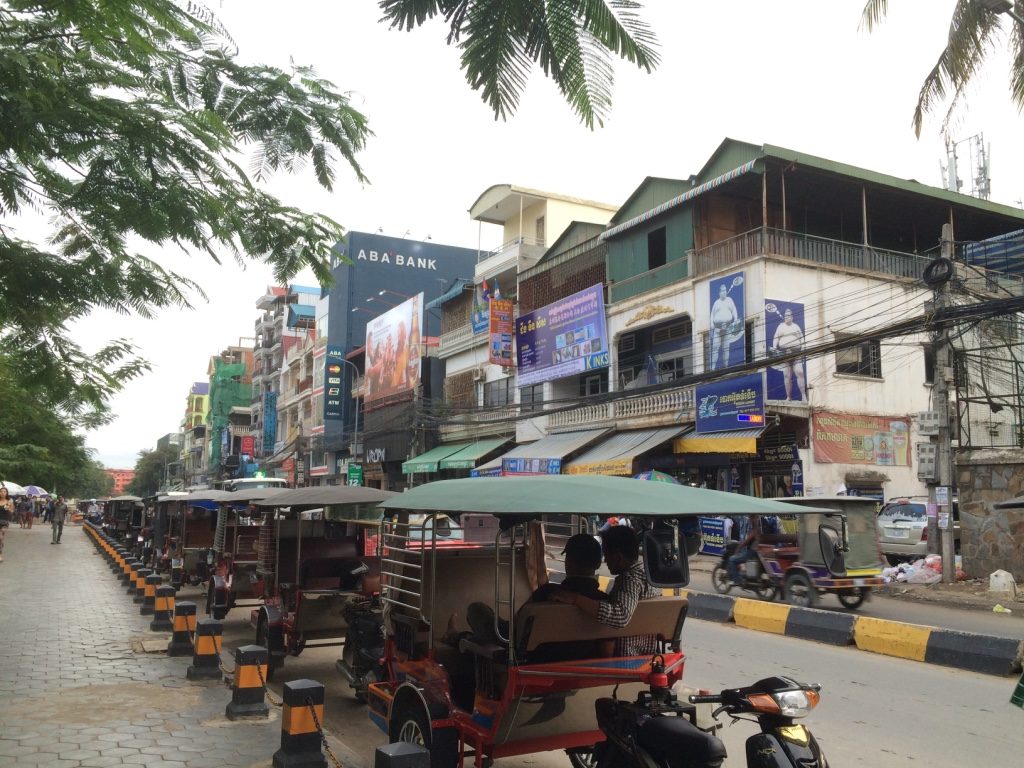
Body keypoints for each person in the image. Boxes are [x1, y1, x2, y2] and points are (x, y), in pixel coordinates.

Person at [464, 533, 608, 645]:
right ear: (597, 565)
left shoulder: (546, 593)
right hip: (582, 661)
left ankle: (458, 637)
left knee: (477, 609)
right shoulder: (603, 603)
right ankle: (459, 637)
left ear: (568, 562)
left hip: (532, 657)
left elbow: (517, 624)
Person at [550, 525, 660, 656]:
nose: (605, 561)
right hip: (647, 654)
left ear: (618, 557)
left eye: (607, 555)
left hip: (627, 656)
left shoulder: (629, 579)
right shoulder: (649, 575)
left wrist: (576, 598)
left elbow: (620, 617)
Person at [770, 308, 806, 400]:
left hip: (796, 353)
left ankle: (803, 395)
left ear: (792, 317)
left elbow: (802, 339)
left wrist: (803, 349)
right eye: (785, 315)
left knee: (800, 372)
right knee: (787, 375)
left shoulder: (796, 326)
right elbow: (776, 338)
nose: (787, 317)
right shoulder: (780, 326)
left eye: (789, 315)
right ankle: (788, 396)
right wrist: (774, 348)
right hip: (784, 354)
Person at [727, 514, 762, 586]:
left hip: (751, 553)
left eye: (751, 518)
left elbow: (746, 542)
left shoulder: (755, 530)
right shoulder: (757, 529)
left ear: (753, 520)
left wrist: (738, 548)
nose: (749, 520)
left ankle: (737, 580)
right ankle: (742, 575)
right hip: (754, 552)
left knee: (732, 559)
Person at [710, 283, 739, 370]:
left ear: (726, 291)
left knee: (726, 348)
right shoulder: (716, 303)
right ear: (719, 293)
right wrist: (712, 325)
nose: (724, 292)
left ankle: (726, 366)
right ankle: (713, 368)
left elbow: (734, 310)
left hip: (727, 327)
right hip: (717, 329)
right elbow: (712, 315)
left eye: (725, 290)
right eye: (722, 291)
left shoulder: (729, 300)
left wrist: (735, 319)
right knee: (715, 348)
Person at [0, 486, 13, 562]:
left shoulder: (8, 502)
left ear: (7, 493)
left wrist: (9, 508)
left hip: (4, 522)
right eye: (1, 491)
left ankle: (0, 554)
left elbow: (11, 512)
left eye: (4, 492)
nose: (3, 493)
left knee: (0, 537)